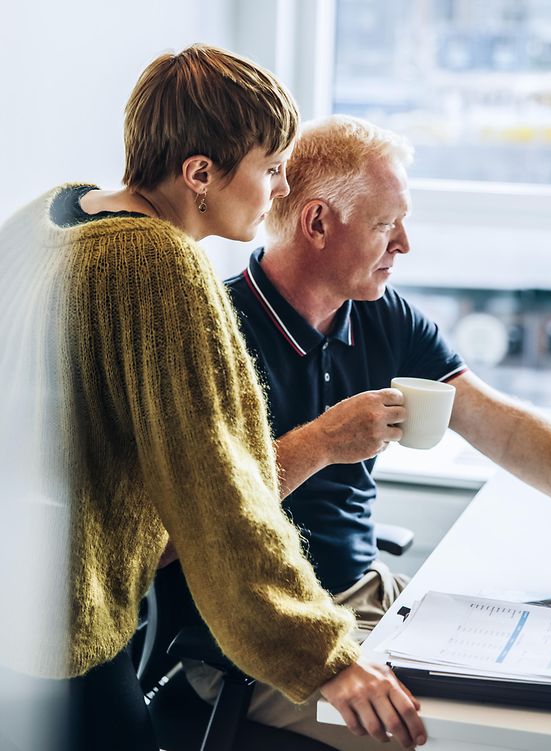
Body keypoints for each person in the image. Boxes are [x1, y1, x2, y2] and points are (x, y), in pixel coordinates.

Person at [0, 54, 427, 751]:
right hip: (63, 633)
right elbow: (219, 494)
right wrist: (325, 660)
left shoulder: (45, 219)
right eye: (270, 167)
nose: (280, 188)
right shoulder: (160, 266)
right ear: (199, 174)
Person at [185, 114, 551, 750]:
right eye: (385, 225)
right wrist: (322, 442)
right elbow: (194, 520)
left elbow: (503, 429)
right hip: (252, 631)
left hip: (367, 595)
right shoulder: (213, 332)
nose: (404, 244)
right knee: (458, 734)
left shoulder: (383, 315)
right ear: (318, 222)